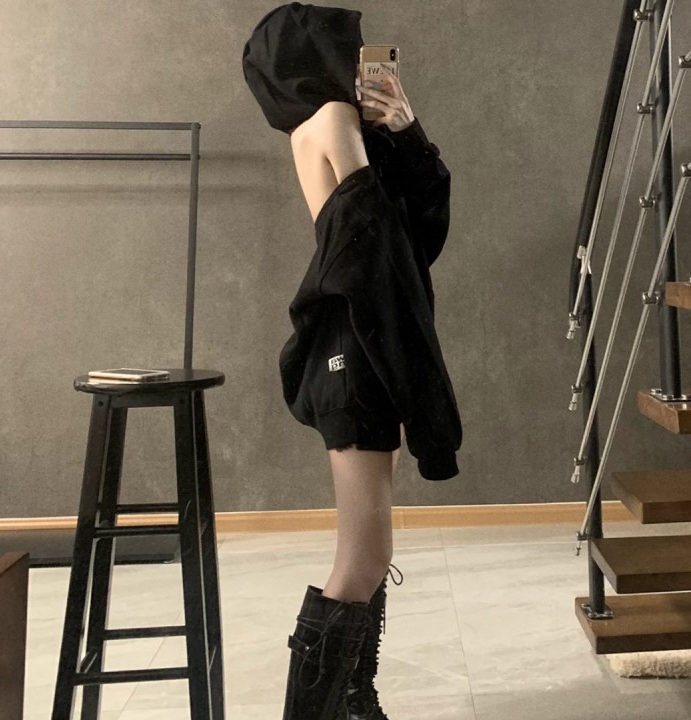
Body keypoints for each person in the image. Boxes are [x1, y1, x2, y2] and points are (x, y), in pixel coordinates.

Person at [242, 4, 462, 718]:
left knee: (371, 552)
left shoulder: (314, 129)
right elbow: (383, 245)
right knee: (362, 558)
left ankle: (356, 705)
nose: (358, 57)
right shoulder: (335, 119)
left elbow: (405, 236)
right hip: (359, 347)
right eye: (349, 47)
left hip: (354, 341)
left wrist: (407, 130)